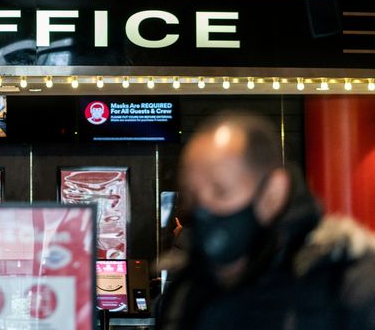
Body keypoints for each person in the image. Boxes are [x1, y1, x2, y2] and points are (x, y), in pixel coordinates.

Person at [156, 112, 375, 329]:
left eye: (221, 191)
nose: (204, 210)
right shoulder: (186, 293)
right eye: (191, 196)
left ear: (273, 193)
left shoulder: (348, 284)